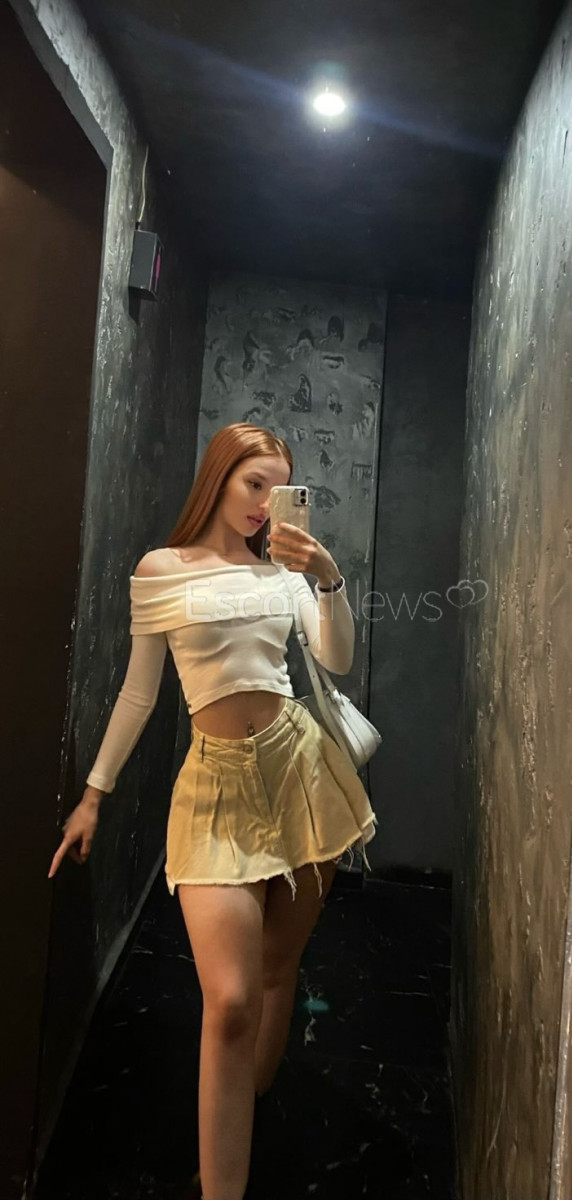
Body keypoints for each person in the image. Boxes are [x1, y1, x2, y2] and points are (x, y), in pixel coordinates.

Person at [48, 422, 377, 1200]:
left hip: (301, 773)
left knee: (276, 968)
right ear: (218, 478)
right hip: (215, 787)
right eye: (253, 483)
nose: (265, 503)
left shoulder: (284, 576)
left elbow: (334, 659)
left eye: (278, 488)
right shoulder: (161, 570)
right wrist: (94, 795)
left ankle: (250, 1109)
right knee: (229, 1002)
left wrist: (327, 577)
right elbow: (139, 693)